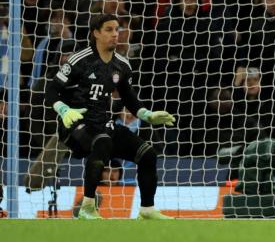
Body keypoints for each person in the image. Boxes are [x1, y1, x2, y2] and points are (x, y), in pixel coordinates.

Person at [44, 14, 176, 220]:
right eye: (109, 29)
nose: (115, 34)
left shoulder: (121, 65)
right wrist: (63, 109)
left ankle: (147, 210)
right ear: (96, 33)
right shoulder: (79, 60)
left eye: (117, 29)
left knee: (148, 154)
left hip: (103, 123)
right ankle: (87, 208)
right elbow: (52, 90)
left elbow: (129, 98)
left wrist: (148, 115)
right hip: (76, 124)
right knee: (103, 143)